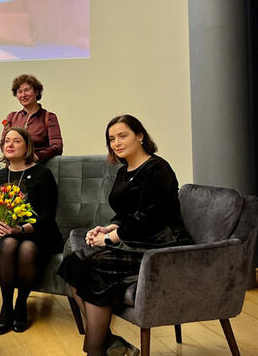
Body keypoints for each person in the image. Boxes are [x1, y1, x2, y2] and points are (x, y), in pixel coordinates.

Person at [57, 115, 192, 356]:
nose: (116, 143)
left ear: (140, 136)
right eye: (111, 139)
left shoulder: (158, 168)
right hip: (136, 241)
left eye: (122, 136)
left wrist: (112, 238)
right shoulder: (123, 172)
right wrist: (109, 227)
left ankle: (95, 350)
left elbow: (152, 217)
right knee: (73, 262)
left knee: (95, 268)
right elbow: (126, 214)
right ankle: (110, 343)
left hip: (162, 246)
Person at [0, 127, 63, 335]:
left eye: (16, 141)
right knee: (9, 244)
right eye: (7, 141)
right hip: (10, 235)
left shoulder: (42, 174)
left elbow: (48, 216)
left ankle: (21, 303)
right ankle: (6, 307)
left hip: (41, 233)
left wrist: (20, 229)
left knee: (27, 248)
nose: (10, 144)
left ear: (27, 146)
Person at [1, 74, 63, 162]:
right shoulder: (11, 117)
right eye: (19, 91)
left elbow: (57, 147)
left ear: (36, 92)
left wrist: (36, 157)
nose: (23, 95)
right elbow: (3, 143)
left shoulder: (49, 117)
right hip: (15, 166)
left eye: (27, 90)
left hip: (38, 165)